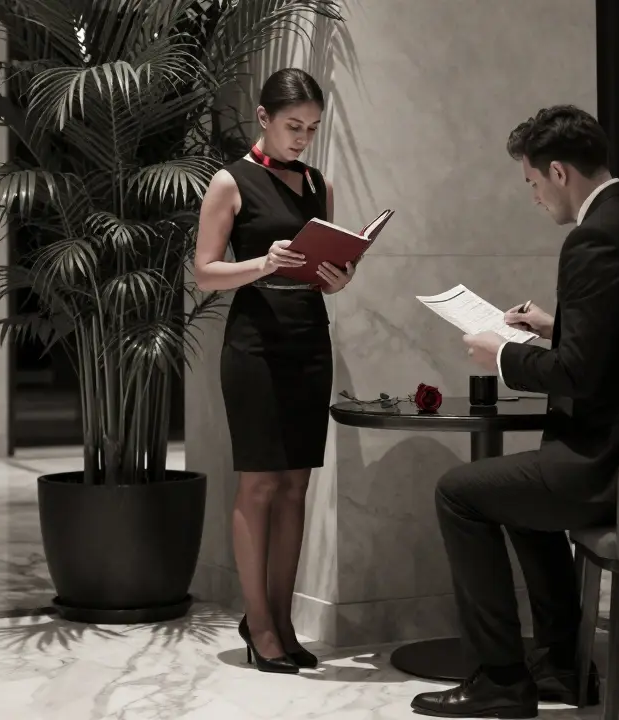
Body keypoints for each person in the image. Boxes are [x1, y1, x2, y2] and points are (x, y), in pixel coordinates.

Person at [410, 105, 619, 717]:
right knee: (524, 504)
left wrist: (501, 354)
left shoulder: (593, 237)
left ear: (556, 172)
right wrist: (558, 329)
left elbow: (579, 375)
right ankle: (559, 666)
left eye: (529, 182)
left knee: (458, 493)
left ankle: (501, 681)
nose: (532, 197)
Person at [192, 68, 354, 674]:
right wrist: (263, 262)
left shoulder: (319, 185)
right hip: (255, 346)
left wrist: (338, 277)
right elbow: (205, 272)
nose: (301, 139)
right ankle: (258, 623)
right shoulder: (230, 182)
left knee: (296, 486)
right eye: (293, 127)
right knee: (260, 483)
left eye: (311, 129)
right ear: (264, 118)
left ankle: (284, 621)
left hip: (310, 342)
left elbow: (322, 269)